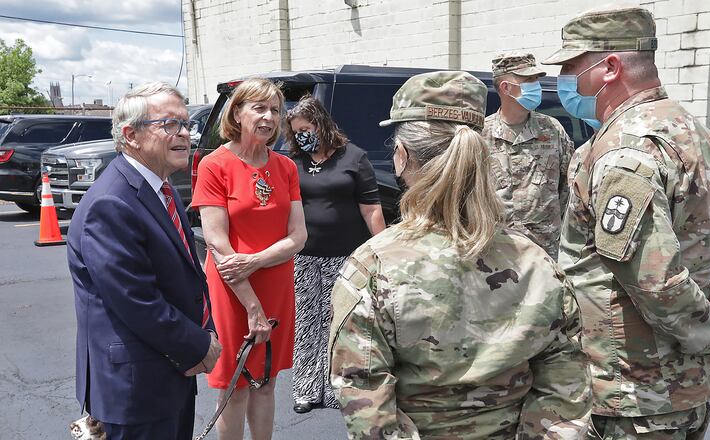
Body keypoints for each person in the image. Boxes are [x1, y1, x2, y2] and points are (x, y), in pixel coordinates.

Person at [545, 6, 710, 439]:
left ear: (609, 67)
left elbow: (655, 279)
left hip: (635, 393)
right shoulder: (691, 130)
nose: (565, 80)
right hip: (690, 386)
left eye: (571, 66)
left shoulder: (623, 150)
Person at [329, 71, 591, 439]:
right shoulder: (535, 262)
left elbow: (367, 405)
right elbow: (566, 390)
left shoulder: (373, 267)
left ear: (401, 157)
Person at [67, 82, 222, 439]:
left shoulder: (161, 189)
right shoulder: (112, 203)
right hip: (134, 389)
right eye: (170, 124)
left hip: (167, 374)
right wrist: (200, 345)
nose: (185, 133)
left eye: (186, 123)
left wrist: (204, 332)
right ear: (131, 135)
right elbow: (137, 301)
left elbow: (185, 277)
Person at [192, 78, 307, 440]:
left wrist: (255, 260)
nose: (269, 116)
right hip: (233, 289)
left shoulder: (286, 167)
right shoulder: (215, 165)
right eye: (259, 108)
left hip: (275, 284)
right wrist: (253, 306)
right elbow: (217, 244)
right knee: (235, 384)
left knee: (267, 381)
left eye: (275, 110)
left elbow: (298, 236)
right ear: (237, 113)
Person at [283, 96, 385, 414]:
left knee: (339, 322)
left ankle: (334, 388)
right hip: (304, 257)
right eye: (296, 131)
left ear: (322, 125)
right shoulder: (293, 162)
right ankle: (305, 390)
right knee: (307, 322)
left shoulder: (353, 158)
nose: (302, 135)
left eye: (307, 128)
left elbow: (371, 210)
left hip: (345, 257)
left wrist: (383, 252)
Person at [482, 53, 575, 260]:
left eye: (536, 80)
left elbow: (568, 191)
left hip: (545, 253)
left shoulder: (552, 129)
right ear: (506, 87)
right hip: (495, 255)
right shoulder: (480, 135)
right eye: (528, 80)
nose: (536, 86)